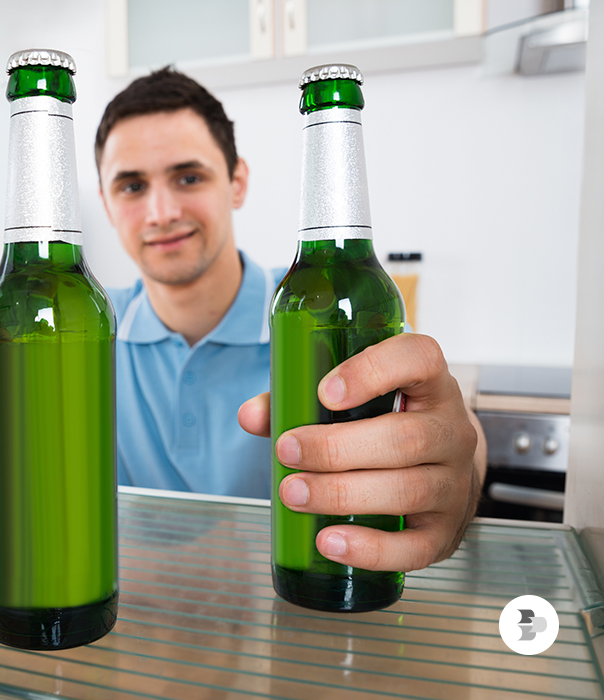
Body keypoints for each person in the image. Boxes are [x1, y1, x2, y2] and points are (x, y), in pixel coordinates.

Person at [94, 67, 487, 573]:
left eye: (188, 177)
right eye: (131, 186)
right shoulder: (85, 330)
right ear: (105, 204)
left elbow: (444, 423)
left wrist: (457, 464)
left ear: (237, 182)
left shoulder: (321, 305)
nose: (161, 211)